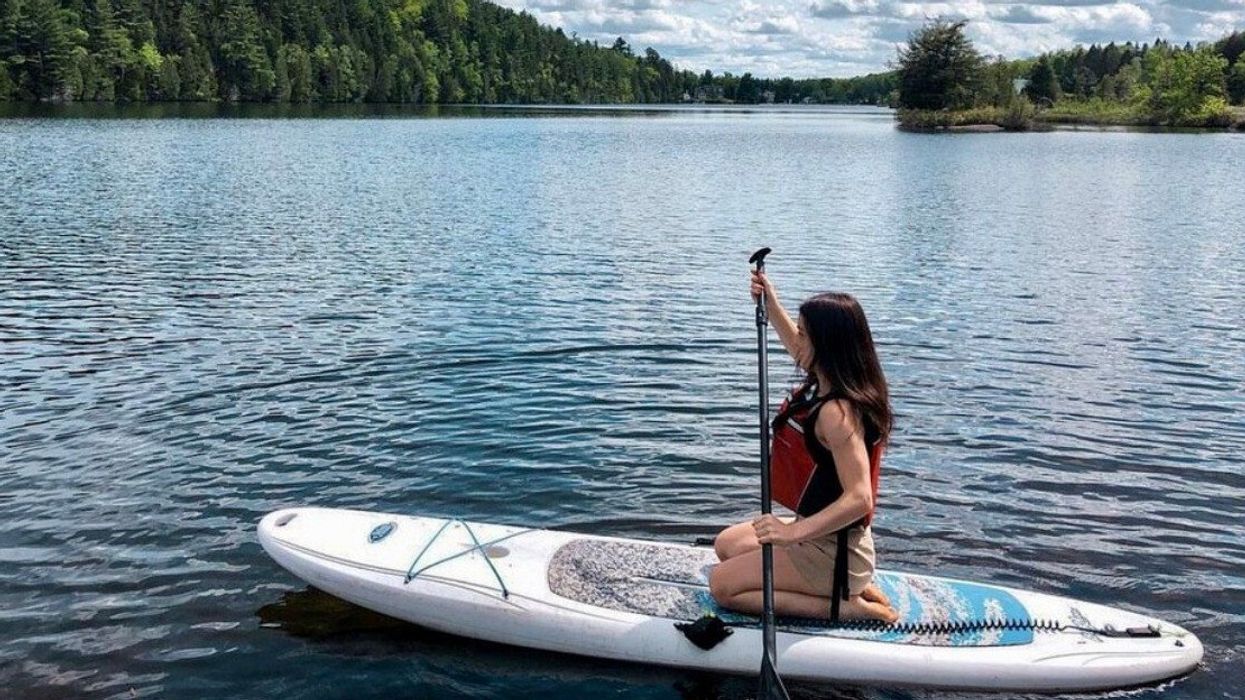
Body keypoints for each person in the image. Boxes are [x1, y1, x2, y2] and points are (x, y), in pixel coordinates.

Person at [708, 268, 898, 623]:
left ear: (826, 347)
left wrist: (790, 532)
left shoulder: (836, 414)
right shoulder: (833, 383)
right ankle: (847, 586)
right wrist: (770, 301)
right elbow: (796, 345)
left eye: (805, 334)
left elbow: (860, 498)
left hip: (832, 552)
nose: (798, 342)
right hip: (827, 541)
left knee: (722, 586)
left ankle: (848, 606)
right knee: (727, 546)